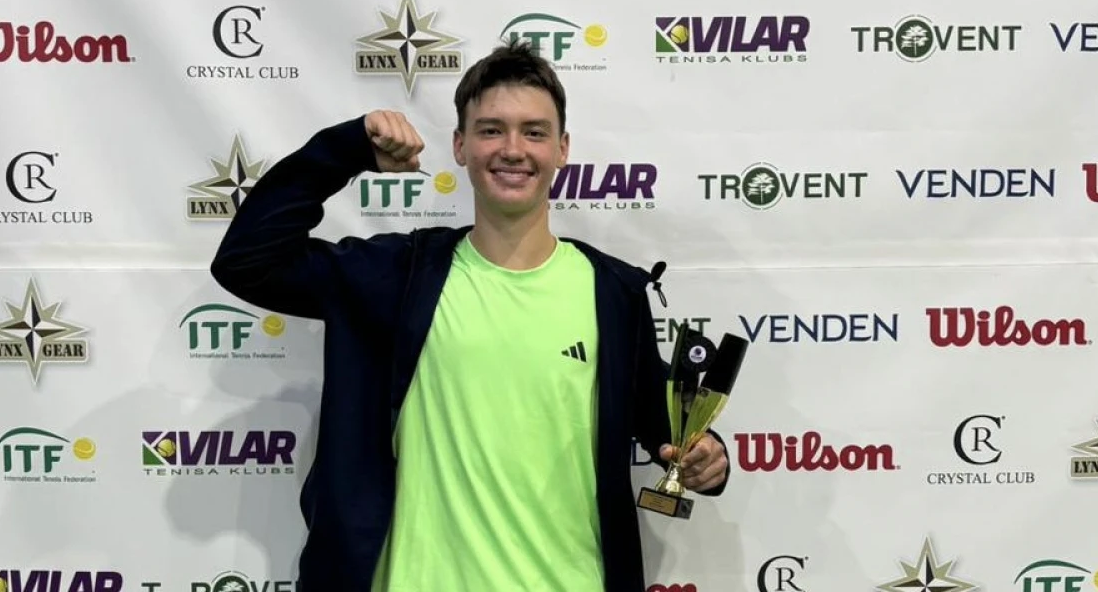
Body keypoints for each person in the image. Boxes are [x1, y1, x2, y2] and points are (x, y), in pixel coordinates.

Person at [209, 39, 731, 592]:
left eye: (534, 132)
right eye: (491, 130)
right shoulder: (397, 277)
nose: (513, 149)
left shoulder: (613, 292)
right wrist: (345, 151)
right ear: (460, 146)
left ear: (562, 149)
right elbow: (247, 262)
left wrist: (706, 456)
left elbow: (664, 427)